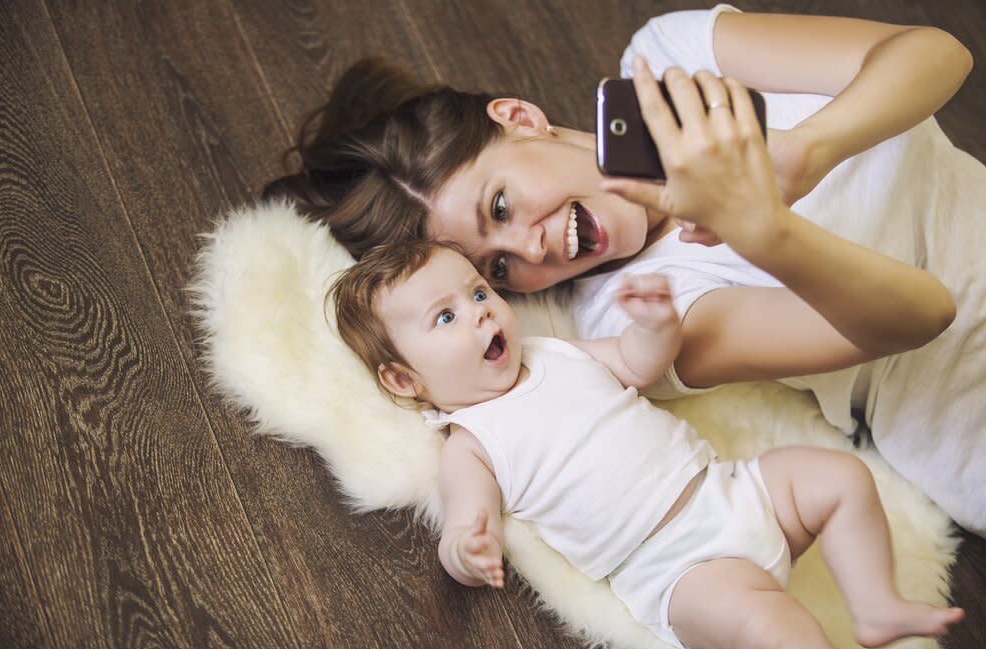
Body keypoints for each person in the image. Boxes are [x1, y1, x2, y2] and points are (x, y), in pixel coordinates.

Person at [264, 5, 986, 535]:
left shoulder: (668, 61)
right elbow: (922, 316)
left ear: (519, 116)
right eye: (499, 267)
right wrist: (761, 230)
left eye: (503, 204)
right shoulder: (639, 316)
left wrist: (806, 151)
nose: (532, 249)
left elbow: (936, 53)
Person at [327, 240, 963, 649]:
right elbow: (464, 518)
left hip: (735, 490)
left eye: (477, 295)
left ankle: (874, 602)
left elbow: (635, 363)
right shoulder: (471, 444)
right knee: (776, 632)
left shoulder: (557, 353)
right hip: (681, 569)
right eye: (444, 318)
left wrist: (658, 325)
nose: (477, 315)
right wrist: (468, 546)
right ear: (404, 380)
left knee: (842, 477)